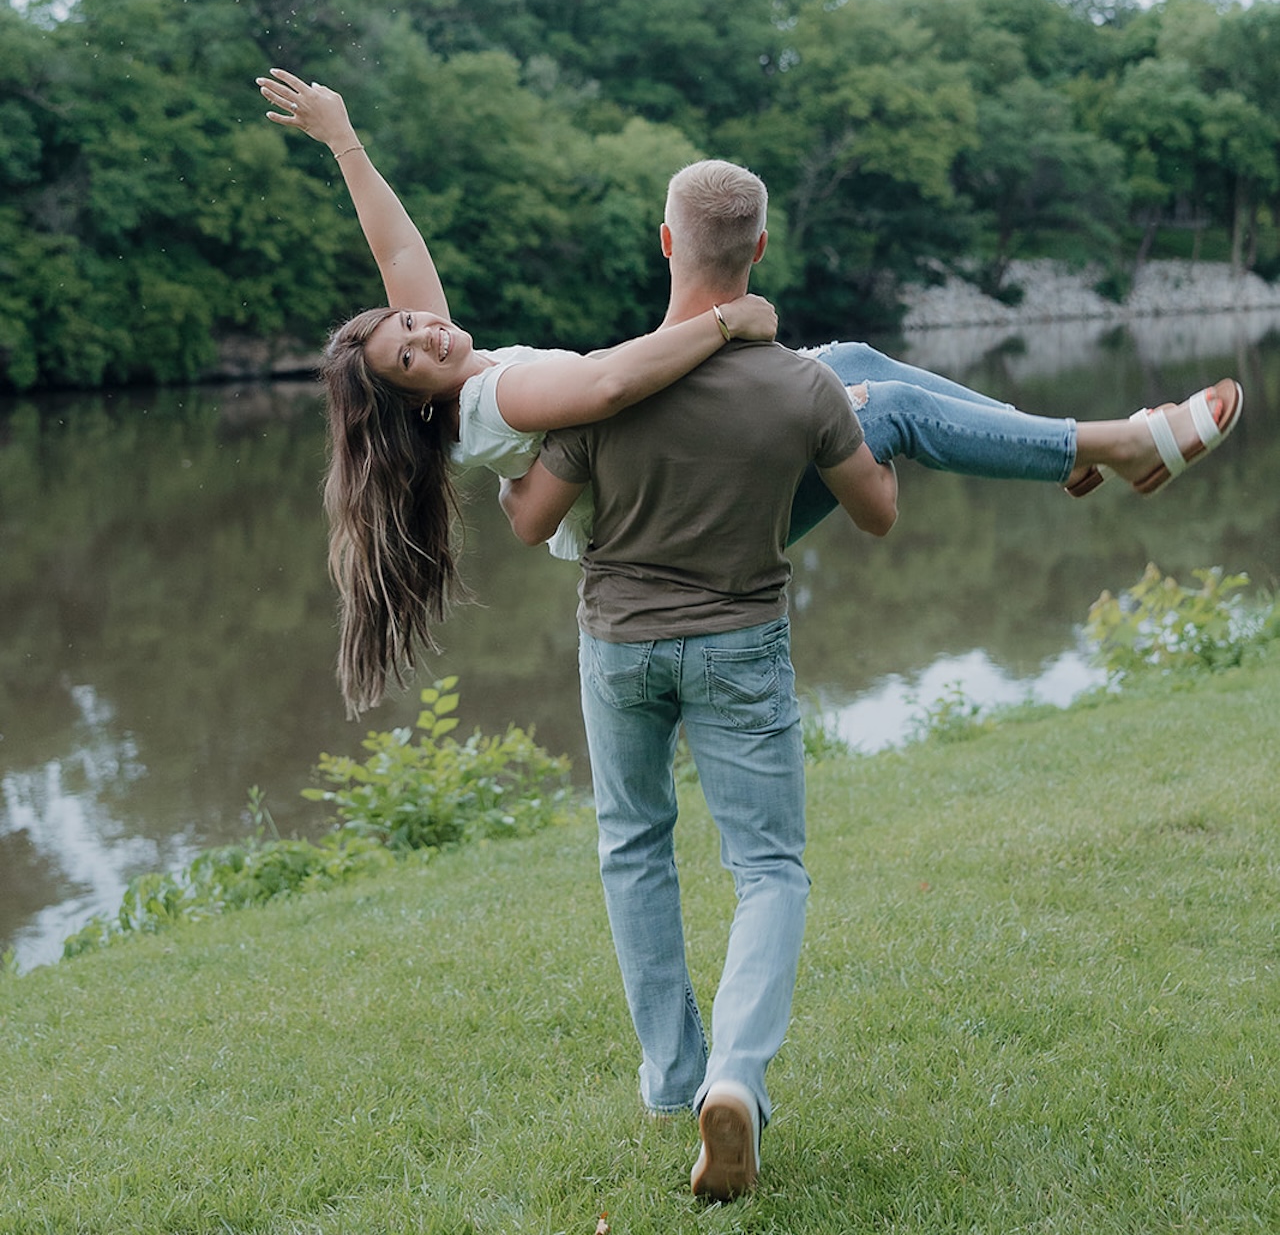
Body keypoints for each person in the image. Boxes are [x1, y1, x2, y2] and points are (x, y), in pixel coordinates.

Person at [255, 69, 1244, 711]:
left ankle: (1066, 448)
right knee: (882, 409)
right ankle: (1113, 445)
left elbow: (396, 247)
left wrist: (341, 139)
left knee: (852, 357)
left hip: (678, 479)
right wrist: (728, 323)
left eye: (414, 323)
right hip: (677, 520)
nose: (426, 329)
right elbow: (609, 391)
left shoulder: (456, 371)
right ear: (415, 401)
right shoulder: (497, 401)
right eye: (410, 352)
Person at [499, 158, 897, 1197]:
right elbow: (876, 513)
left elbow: (531, 521)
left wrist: (500, 450)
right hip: (740, 645)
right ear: (758, 249)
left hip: (619, 645)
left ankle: (676, 1078)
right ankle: (735, 1078)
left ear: (664, 240)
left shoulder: (605, 379)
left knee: (633, 847)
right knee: (767, 868)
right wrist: (859, 431)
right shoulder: (803, 386)